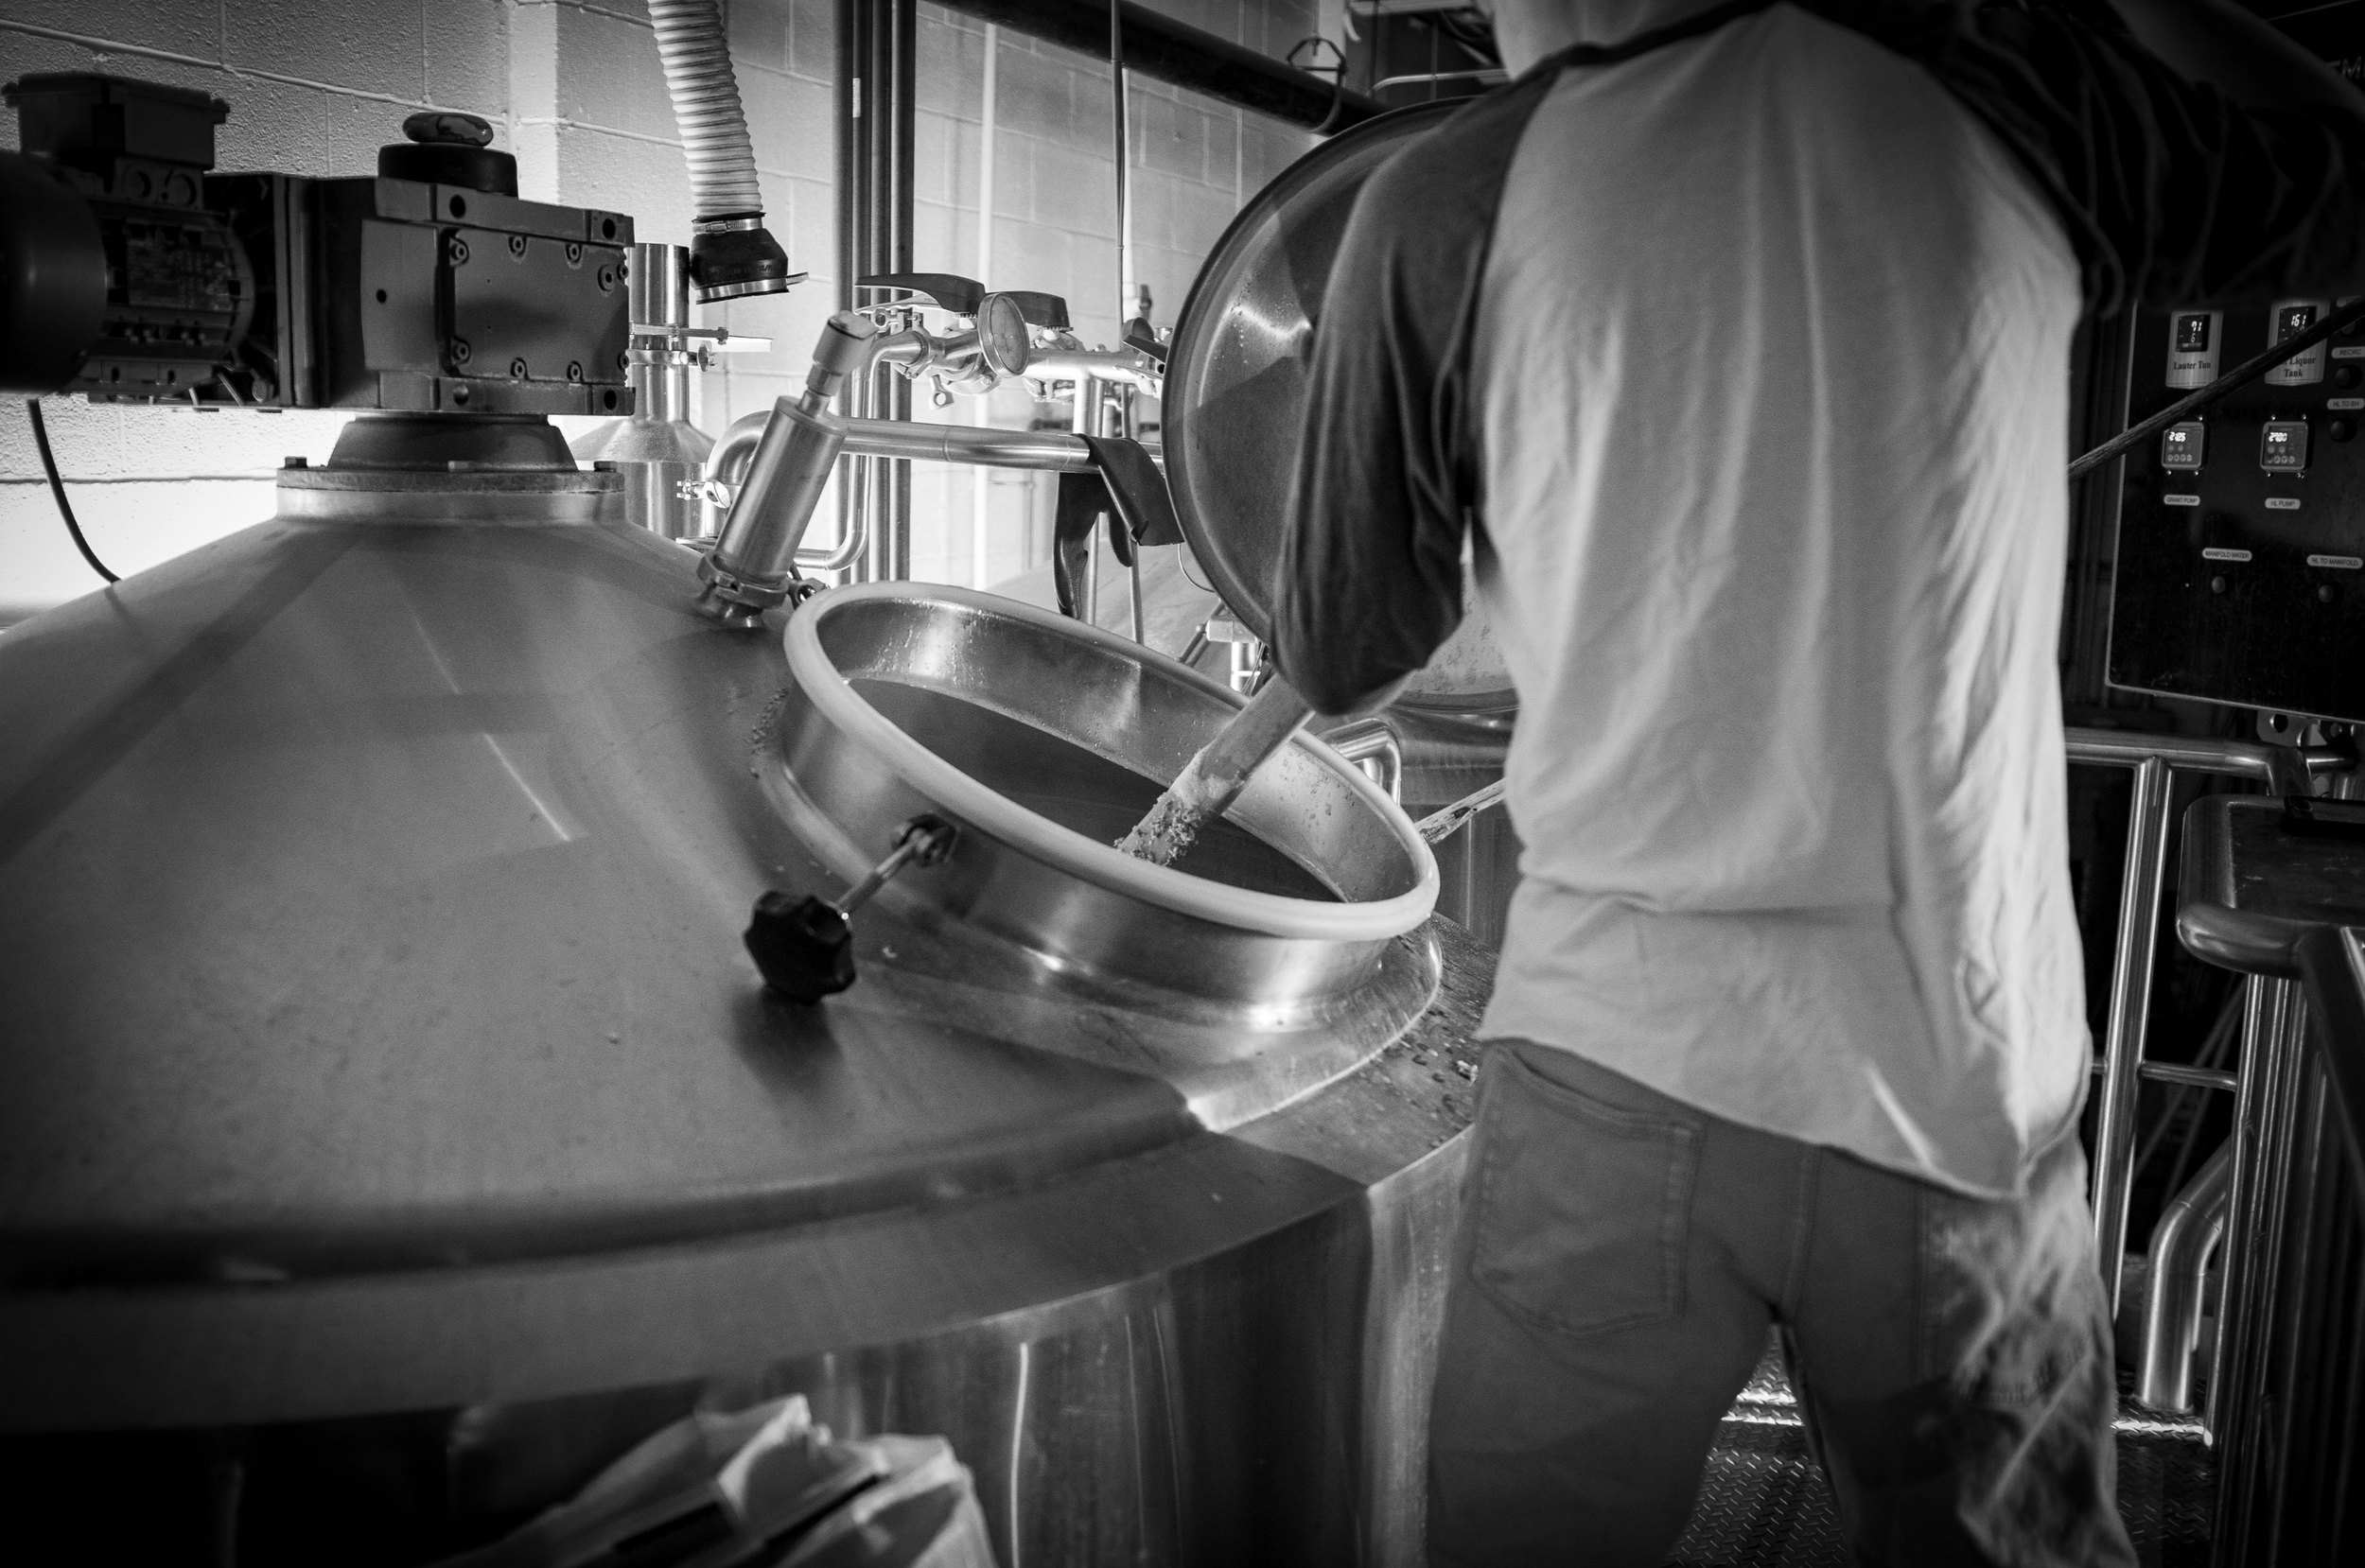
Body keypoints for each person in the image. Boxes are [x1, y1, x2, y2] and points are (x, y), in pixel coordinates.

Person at [1270, 1, 2365, 1562]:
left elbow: (1342, 649)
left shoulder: (1447, 198)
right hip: (1946, 1077)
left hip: (1611, 1069)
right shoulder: (2011, 88)